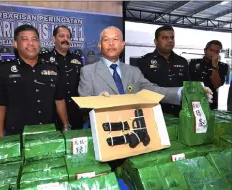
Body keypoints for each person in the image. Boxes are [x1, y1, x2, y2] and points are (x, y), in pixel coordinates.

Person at [78, 26, 212, 170]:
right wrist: (96, 101)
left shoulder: (134, 71)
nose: (111, 43)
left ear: (123, 44)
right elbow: (83, 103)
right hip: (106, 137)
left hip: (134, 137)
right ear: (100, 45)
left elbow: (154, 90)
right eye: (106, 40)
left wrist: (185, 92)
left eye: (116, 39)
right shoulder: (88, 72)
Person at [0, 24, 69, 137]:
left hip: (49, 133)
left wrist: (65, 125)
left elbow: (59, 100)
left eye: (34, 39)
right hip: (17, 136)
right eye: (25, 39)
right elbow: (0, 106)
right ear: (15, 44)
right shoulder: (3, 70)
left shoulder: (52, 68)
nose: (31, 43)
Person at [137, 25, 190, 116]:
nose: (170, 41)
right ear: (155, 41)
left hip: (179, 114)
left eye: (172, 38)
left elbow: (188, 86)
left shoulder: (182, 61)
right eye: (165, 38)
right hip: (154, 113)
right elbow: (140, 89)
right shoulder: (144, 62)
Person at [40, 25, 83, 129]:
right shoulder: (43, 60)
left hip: (75, 112)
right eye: (62, 36)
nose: (65, 39)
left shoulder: (77, 59)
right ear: (54, 39)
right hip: (52, 114)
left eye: (68, 37)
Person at [189, 40, 228, 109]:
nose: (213, 53)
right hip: (192, 99)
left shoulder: (223, 66)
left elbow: (216, 85)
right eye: (211, 50)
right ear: (205, 50)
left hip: (210, 102)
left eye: (216, 52)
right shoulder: (193, 63)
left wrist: (214, 66)